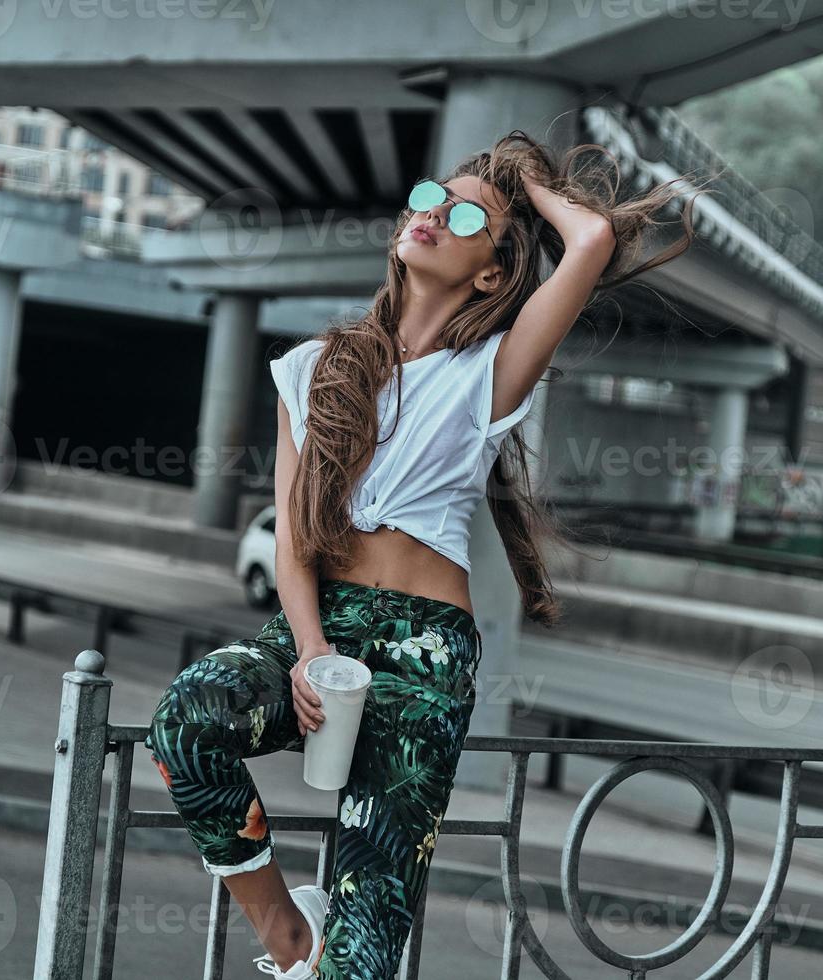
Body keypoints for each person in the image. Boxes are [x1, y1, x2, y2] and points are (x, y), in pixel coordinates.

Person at [145, 128, 699, 979]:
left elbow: (589, 241)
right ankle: (289, 938)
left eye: (465, 212)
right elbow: (295, 538)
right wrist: (310, 649)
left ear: (491, 271)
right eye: (426, 199)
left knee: (366, 952)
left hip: (425, 652)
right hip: (319, 634)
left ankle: (334, 955)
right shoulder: (311, 369)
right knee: (187, 718)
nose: (435, 213)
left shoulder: (489, 373)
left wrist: (515, 179)